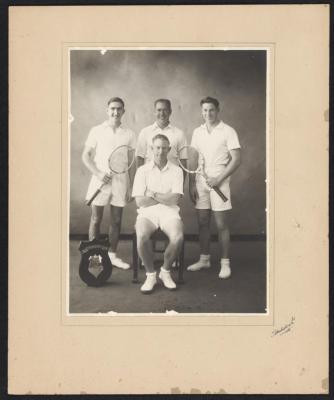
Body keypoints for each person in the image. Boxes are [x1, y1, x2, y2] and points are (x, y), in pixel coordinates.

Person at [188, 97, 241, 278]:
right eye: (204, 110)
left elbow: (236, 160)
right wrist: (192, 183)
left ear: (218, 110)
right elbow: (193, 159)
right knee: (203, 222)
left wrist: (218, 179)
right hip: (201, 182)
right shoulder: (197, 132)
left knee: (221, 224)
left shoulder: (228, 131)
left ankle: (225, 263)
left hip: (220, 181)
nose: (208, 114)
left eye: (211, 110)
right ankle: (204, 259)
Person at [82, 97, 136, 270]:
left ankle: (112, 256)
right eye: (112, 108)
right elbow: (85, 156)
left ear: (123, 111)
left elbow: (131, 162)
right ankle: (94, 258)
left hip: (121, 181)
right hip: (100, 180)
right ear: (107, 110)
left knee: (116, 220)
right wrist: (98, 173)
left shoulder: (129, 133)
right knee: (96, 219)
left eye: (119, 109)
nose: (115, 112)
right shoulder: (96, 130)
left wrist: (131, 186)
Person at [132, 134, 184, 293]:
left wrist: (153, 194)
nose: (160, 151)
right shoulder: (142, 171)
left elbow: (175, 199)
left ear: (169, 149)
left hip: (170, 212)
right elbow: (140, 201)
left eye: (164, 148)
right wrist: (164, 197)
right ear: (151, 149)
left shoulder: (177, 171)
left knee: (178, 237)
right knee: (141, 235)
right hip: (148, 213)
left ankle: (165, 272)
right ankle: (150, 275)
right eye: (157, 148)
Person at [136, 99, 187, 170]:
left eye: (165, 110)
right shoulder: (145, 132)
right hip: (149, 178)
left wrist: (182, 181)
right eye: (159, 110)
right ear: (154, 112)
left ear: (170, 112)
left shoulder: (179, 134)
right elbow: (139, 159)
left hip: (171, 178)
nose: (162, 114)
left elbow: (183, 161)